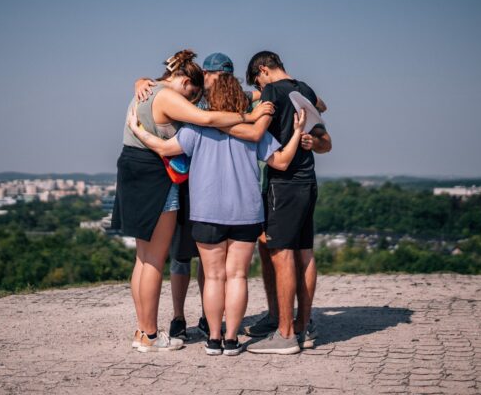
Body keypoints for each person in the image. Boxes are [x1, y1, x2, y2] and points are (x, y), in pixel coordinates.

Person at [127, 70, 306, 356]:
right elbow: (282, 162)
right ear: (239, 98)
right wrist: (297, 132)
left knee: (213, 277)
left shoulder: (196, 129)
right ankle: (232, 339)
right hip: (246, 214)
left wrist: (138, 131)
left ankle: (213, 339)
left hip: (207, 212)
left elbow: (163, 148)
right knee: (237, 277)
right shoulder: (254, 132)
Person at [239, 51, 332, 355]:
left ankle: (285, 333)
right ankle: (303, 327)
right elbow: (325, 141)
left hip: (284, 183)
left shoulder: (271, 91)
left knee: (281, 254)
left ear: (263, 70)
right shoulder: (304, 90)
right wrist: (310, 142)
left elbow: (257, 128)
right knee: (304, 252)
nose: (259, 88)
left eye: (257, 80)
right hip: (308, 180)